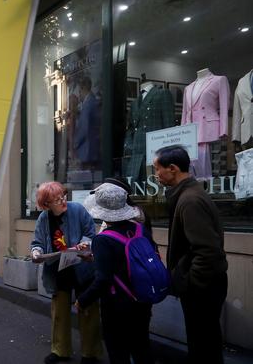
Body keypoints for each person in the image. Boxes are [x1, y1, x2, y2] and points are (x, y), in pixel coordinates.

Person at [153, 145, 228, 364]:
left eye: (158, 169)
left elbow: (207, 251)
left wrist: (191, 282)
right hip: (204, 285)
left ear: (173, 168)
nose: (156, 175)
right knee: (204, 343)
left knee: (204, 345)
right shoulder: (189, 194)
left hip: (202, 288)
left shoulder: (190, 200)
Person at [75, 182, 156, 364]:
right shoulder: (140, 229)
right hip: (142, 297)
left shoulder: (103, 239)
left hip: (117, 304)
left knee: (118, 351)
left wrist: (83, 300)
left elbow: (104, 279)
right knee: (142, 347)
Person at [30, 182, 103, 364]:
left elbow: (90, 233)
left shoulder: (78, 209)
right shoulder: (43, 219)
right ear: (46, 204)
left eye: (63, 196)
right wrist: (36, 253)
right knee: (59, 312)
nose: (63, 200)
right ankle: (60, 350)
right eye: (57, 199)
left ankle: (90, 353)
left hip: (82, 268)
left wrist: (84, 244)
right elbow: (37, 242)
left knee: (88, 309)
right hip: (57, 270)